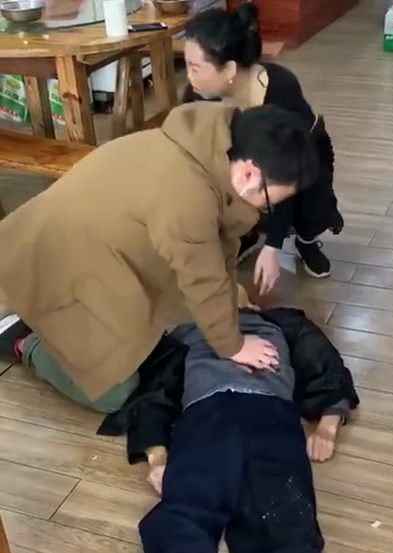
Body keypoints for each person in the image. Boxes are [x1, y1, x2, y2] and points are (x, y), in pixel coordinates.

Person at [0, 102, 317, 413]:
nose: (265, 211)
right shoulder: (188, 195)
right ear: (249, 174)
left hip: (86, 249)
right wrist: (233, 345)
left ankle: (43, 319)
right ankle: (23, 339)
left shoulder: (203, 145)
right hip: (53, 262)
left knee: (154, 335)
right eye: (269, 203)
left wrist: (231, 299)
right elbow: (202, 278)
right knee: (113, 393)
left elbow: (212, 255)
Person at [138, 307, 359, 553]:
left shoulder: (280, 322)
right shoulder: (189, 329)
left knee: (284, 519)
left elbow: (322, 360)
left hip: (269, 410)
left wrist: (329, 424)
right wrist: (156, 455)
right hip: (206, 411)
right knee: (186, 512)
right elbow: (156, 390)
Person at [182, 2, 344, 291]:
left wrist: (273, 246)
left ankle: (305, 240)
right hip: (250, 164)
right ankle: (246, 233)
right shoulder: (199, 96)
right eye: (186, 65)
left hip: (302, 161)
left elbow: (282, 174)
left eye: (195, 68)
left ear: (229, 68)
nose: (189, 77)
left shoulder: (279, 89)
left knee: (311, 210)